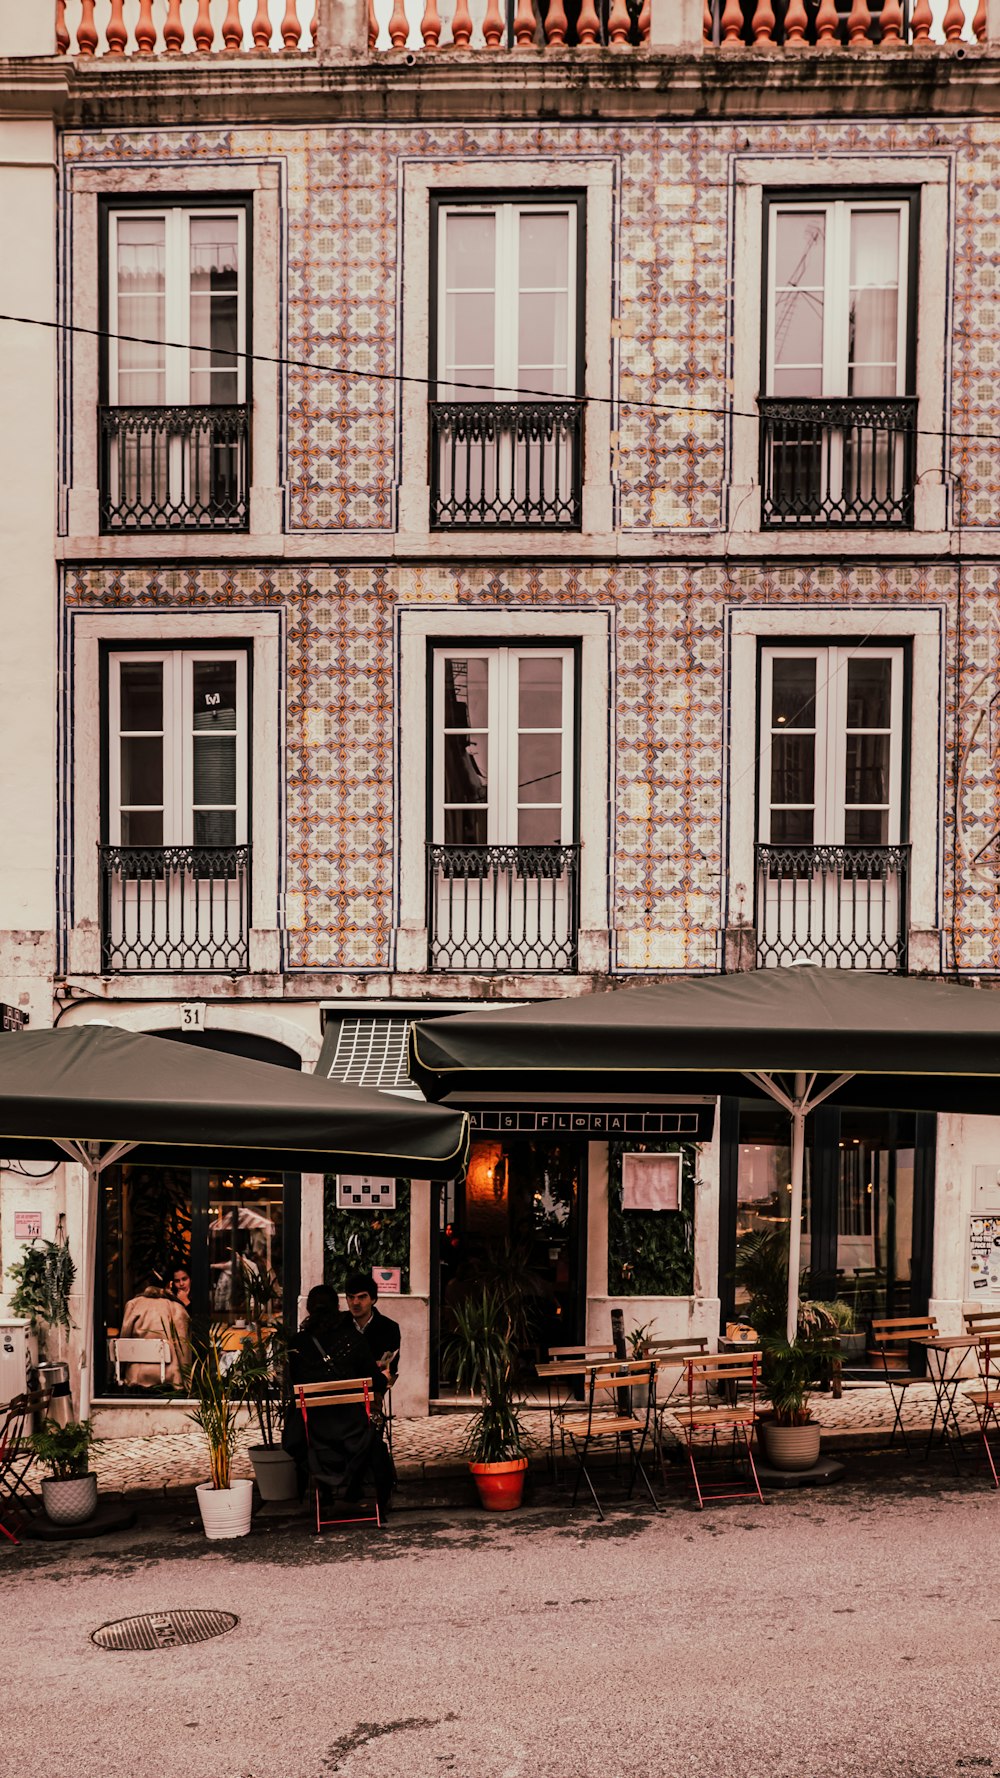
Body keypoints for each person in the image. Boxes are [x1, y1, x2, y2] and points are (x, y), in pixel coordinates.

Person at [284, 1285, 394, 1517]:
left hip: (311, 1431)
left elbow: (294, 1385)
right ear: (337, 1307)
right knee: (376, 1430)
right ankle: (359, 1490)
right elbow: (374, 1381)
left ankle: (323, 1490)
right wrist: (384, 1377)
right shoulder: (354, 1340)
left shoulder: (297, 1343)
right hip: (353, 1430)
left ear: (309, 1309)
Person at [119, 1280, 190, 1390]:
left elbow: (124, 1341)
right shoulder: (177, 1308)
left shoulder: (133, 1304)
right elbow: (183, 1347)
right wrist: (187, 1382)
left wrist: (122, 1371)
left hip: (136, 1376)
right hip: (169, 1377)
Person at [344, 1270, 401, 1385]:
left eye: (362, 1297)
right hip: (344, 1391)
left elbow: (391, 1368)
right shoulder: (339, 1324)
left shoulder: (389, 1328)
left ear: (373, 1299)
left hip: (374, 1390)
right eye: (351, 1297)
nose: (355, 1302)